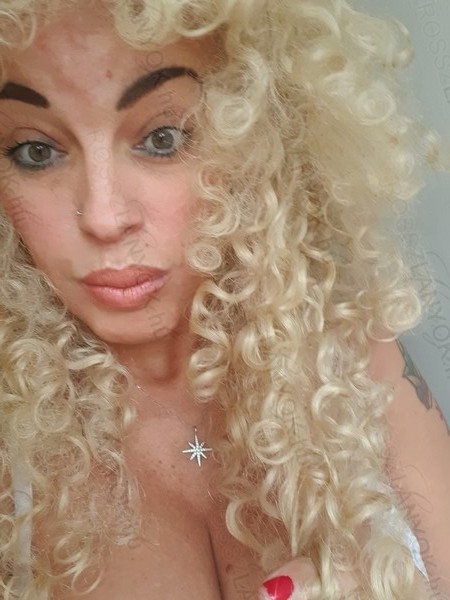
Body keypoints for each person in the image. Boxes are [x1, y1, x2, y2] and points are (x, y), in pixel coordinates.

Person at [0, 0, 448, 598]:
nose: (104, 217)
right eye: (36, 151)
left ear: (257, 137)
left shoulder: (359, 360)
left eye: (162, 139)